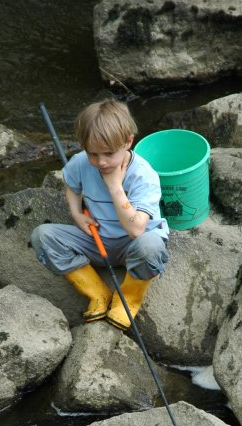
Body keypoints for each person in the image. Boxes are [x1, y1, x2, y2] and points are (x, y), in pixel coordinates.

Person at [31, 98, 169, 330]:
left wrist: (115, 187)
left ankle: (129, 299)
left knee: (150, 248)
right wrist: (76, 213)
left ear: (128, 142)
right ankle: (98, 293)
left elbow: (136, 230)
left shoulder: (144, 175)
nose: (100, 162)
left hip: (134, 243)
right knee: (42, 236)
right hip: (97, 240)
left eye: (108, 153)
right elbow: (71, 186)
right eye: (92, 154)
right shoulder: (81, 163)